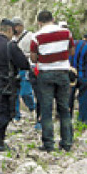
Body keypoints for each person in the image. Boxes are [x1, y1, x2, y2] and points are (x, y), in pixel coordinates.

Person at [30, 10, 75, 152]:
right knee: (64, 109)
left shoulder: (36, 36)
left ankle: (49, 144)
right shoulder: (66, 33)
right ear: (53, 19)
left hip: (45, 74)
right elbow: (72, 51)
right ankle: (67, 142)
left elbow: (33, 58)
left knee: (46, 109)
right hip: (63, 72)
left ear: (39, 23)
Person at [0, 19, 29, 151]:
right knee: (5, 111)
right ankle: (0, 142)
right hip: (7, 83)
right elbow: (24, 64)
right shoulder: (11, 45)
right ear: (9, 30)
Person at [9, 17, 36, 123]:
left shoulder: (30, 36)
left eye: (15, 26)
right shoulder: (11, 39)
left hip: (27, 67)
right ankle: (16, 115)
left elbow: (35, 51)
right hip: (14, 69)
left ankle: (33, 108)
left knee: (26, 92)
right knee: (14, 93)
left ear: (21, 26)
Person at [68, 31, 87, 124]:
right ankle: (82, 121)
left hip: (70, 76)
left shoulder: (73, 44)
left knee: (69, 98)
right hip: (83, 76)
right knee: (83, 99)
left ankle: (67, 120)